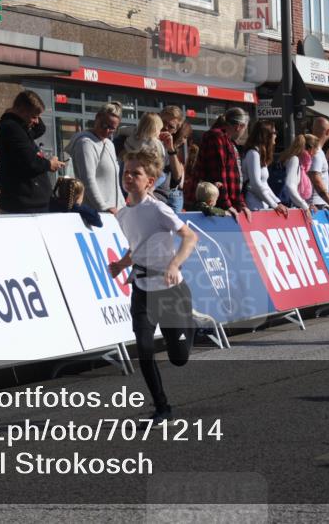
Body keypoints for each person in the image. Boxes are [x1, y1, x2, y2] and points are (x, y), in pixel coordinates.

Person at [108, 147, 199, 423]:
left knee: (179, 358)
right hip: (142, 289)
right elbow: (138, 246)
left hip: (170, 292)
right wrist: (122, 264)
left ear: (149, 181)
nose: (128, 177)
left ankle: (190, 323)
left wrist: (174, 265)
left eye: (135, 173)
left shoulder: (158, 209)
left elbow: (190, 237)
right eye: (126, 172)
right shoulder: (123, 215)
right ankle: (162, 408)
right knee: (145, 350)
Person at [0, 90, 65, 213]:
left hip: (30, 204)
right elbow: (30, 162)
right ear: (21, 110)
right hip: (24, 206)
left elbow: (40, 129)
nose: (36, 121)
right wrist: (49, 164)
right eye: (33, 116)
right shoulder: (11, 128)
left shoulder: (19, 128)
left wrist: (32, 114)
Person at [67, 101, 124, 214]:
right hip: (98, 213)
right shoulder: (85, 143)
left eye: (112, 128)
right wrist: (103, 208)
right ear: (97, 117)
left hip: (114, 212)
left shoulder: (109, 144)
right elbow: (88, 181)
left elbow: (115, 183)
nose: (107, 130)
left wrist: (123, 205)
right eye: (104, 125)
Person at [195, 107, 251, 219]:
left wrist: (240, 203)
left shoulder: (229, 141)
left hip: (224, 204)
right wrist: (226, 204)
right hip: (214, 204)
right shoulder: (217, 137)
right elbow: (218, 173)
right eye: (245, 128)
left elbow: (235, 177)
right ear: (239, 126)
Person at [242, 120, 289, 218]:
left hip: (262, 206)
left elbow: (264, 184)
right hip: (253, 207)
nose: (276, 135)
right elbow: (255, 184)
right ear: (266, 135)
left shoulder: (259, 154)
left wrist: (277, 202)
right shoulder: (253, 153)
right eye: (274, 132)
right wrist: (275, 205)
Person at [158, 105, 186, 212]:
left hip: (163, 200)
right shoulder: (145, 139)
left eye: (171, 126)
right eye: (163, 122)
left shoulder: (170, 148)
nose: (165, 127)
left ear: (175, 130)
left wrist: (170, 148)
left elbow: (177, 177)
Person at [278, 134, 315, 215]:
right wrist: (304, 206)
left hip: (284, 206)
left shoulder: (293, 160)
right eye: (316, 150)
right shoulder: (294, 160)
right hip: (286, 208)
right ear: (311, 149)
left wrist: (306, 204)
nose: (315, 154)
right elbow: (290, 185)